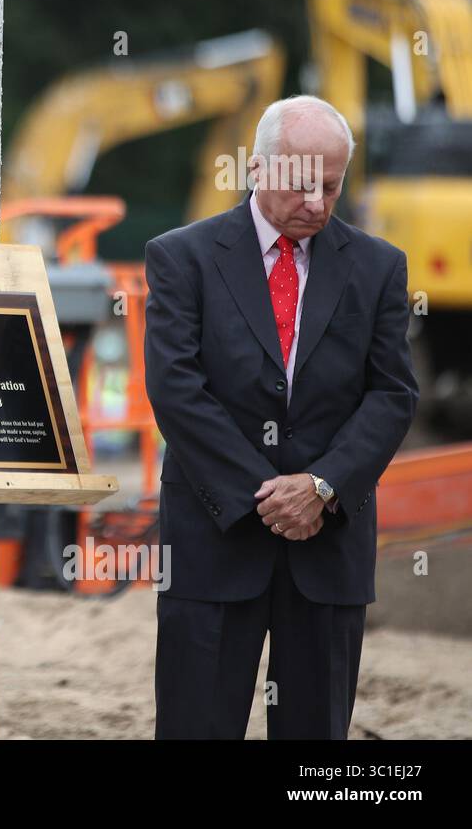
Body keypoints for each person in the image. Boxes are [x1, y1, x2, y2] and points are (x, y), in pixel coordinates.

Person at [144, 95, 419, 739]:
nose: (318, 205)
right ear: (260, 167)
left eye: (332, 186)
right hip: (214, 540)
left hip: (329, 547)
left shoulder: (379, 268)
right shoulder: (181, 258)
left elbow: (392, 395)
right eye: (303, 185)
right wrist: (267, 497)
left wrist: (321, 487)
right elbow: (177, 390)